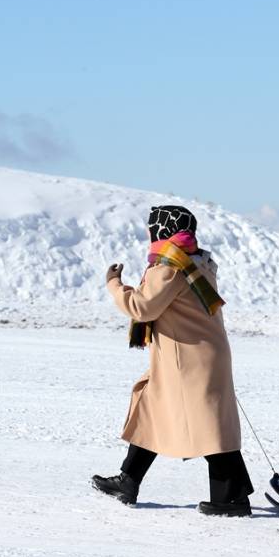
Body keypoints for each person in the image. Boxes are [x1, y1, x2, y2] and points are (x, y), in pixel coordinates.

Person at [91, 205, 254, 516]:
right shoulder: (197, 260)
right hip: (196, 355)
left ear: (160, 231)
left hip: (188, 360)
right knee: (154, 409)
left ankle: (232, 498)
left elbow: (142, 308)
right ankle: (129, 479)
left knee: (208, 428)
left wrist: (114, 284)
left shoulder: (170, 266)